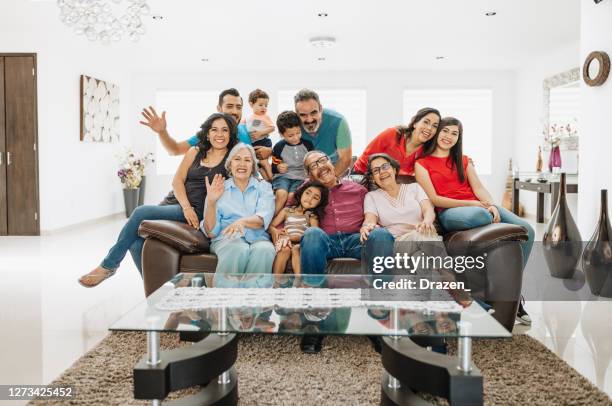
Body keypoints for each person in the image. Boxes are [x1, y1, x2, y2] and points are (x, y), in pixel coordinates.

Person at [78, 113, 237, 287]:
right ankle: (159, 291)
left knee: (140, 212)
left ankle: (109, 265)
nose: (219, 135)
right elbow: (177, 181)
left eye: (224, 130)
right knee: (136, 242)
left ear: (231, 134)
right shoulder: (196, 151)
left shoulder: (232, 158)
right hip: (178, 206)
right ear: (207, 133)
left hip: (199, 211)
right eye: (214, 130)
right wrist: (185, 207)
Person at [415, 117, 535, 325]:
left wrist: (488, 203)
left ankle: (513, 293)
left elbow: (478, 187)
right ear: (436, 133)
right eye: (445, 131)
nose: (449, 137)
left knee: (527, 229)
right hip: (451, 211)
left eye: (455, 133)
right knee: (480, 216)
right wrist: (474, 204)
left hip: (479, 206)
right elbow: (434, 198)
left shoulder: (464, 160)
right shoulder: (422, 164)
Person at [297, 150, 395, 353]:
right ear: (309, 174)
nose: (321, 166)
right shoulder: (306, 191)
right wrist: (279, 235)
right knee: (312, 234)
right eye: (314, 165)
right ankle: (315, 318)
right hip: (326, 241)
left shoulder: (358, 190)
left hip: (355, 238)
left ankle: (378, 314)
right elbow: (289, 214)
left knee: (382, 235)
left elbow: (372, 214)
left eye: (323, 160)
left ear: (331, 163)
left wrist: (371, 226)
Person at [202, 143, 276, 284]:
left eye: (247, 160)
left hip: (257, 238)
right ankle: (224, 302)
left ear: (253, 167)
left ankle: (253, 303)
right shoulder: (218, 188)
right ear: (230, 165)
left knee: (265, 249)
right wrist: (211, 202)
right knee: (238, 248)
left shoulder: (263, 188)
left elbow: (261, 219)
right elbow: (211, 232)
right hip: (227, 239)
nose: (242, 164)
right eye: (237, 159)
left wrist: (241, 222)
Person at [139, 88, 252, 155]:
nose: (235, 111)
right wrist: (162, 132)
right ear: (219, 108)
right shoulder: (209, 134)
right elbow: (175, 150)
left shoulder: (248, 131)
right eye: (230, 106)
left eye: (239, 107)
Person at [269, 181, 328, 286]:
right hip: (285, 242)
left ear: (319, 203)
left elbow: (314, 235)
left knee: (297, 249)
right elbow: (272, 225)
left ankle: (299, 281)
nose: (309, 199)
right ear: (301, 193)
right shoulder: (287, 211)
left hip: (300, 243)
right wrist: (276, 232)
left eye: (315, 198)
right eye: (308, 193)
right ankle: (275, 282)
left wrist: (291, 237)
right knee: (284, 249)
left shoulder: (312, 216)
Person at [353, 107, 441, 176]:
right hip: (361, 174)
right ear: (415, 123)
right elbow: (367, 157)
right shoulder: (393, 134)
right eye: (426, 122)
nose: (429, 128)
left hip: (389, 184)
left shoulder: (427, 152)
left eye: (435, 126)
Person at [293, 89, 352, 176]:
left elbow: (345, 159)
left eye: (313, 113)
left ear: (320, 109)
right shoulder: (291, 124)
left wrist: (328, 182)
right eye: (303, 115)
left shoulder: (338, 121)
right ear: (297, 114)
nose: (309, 119)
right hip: (303, 173)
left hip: (333, 170)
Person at [271, 111, 314, 214]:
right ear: (282, 134)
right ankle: (271, 218)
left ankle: (284, 219)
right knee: (281, 194)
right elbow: (273, 167)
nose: (295, 138)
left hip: (300, 177)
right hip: (283, 176)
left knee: (291, 196)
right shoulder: (279, 147)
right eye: (290, 135)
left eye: (298, 133)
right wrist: (278, 167)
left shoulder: (308, 145)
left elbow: (312, 163)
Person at [245, 89, 276, 180]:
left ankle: (273, 179)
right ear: (251, 104)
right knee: (258, 166)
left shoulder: (264, 116)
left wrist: (260, 133)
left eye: (266, 105)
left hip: (263, 142)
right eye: (261, 105)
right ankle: (268, 182)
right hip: (254, 144)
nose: (264, 108)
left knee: (264, 162)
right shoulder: (248, 117)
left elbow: (272, 128)